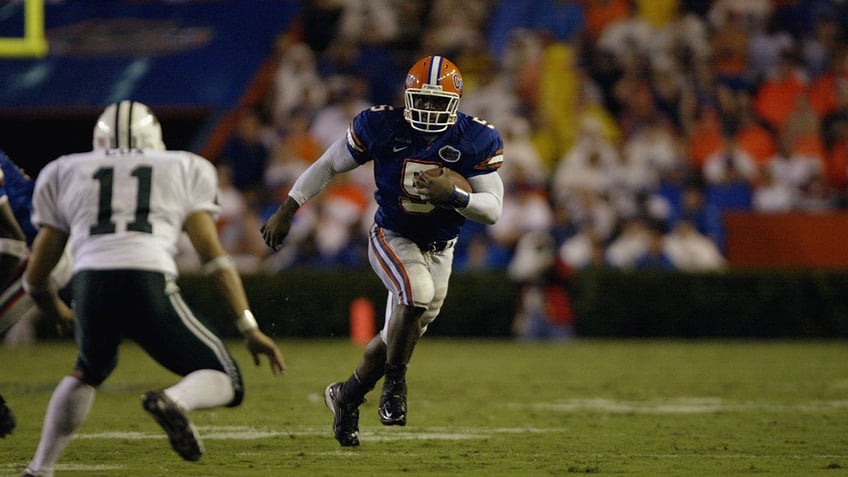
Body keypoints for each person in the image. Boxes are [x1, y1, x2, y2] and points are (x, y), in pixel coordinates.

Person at [20, 100, 286, 476]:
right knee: (227, 377)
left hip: (91, 280)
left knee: (89, 369)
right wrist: (249, 327)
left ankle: (39, 468)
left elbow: (35, 279)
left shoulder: (65, 170)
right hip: (147, 276)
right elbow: (214, 259)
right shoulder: (182, 166)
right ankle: (173, 401)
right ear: (154, 138)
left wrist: (58, 312)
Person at [261, 56, 504, 447]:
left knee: (399, 332)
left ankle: (346, 396)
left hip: (443, 248)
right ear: (406, 97)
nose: (426, 111)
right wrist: (288, 208)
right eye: (420, 101)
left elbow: (493, 210)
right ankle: (395, 387)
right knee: (416, 294)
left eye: (436, 103)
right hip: (392, 235)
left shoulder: (473, 138)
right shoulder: (381, 125)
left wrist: (455, 195)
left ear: (456, 104)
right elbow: (328, 165)